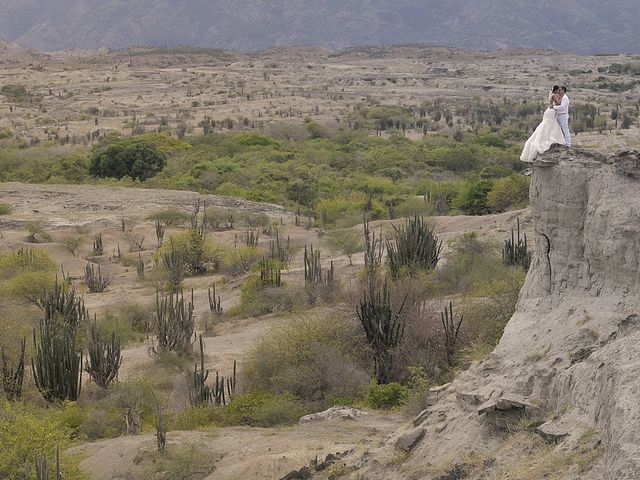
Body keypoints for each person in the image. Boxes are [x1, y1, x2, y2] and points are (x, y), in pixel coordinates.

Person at [520, 86, 567, 163]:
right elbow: (558, 103)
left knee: (548, 125)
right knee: (549, 124)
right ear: (556, 90)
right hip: (551, 111)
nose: (560, 91)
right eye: (559, 90)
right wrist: (561, 99)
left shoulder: (553, 95)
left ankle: (547, 136)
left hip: (551, 111)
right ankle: (546, 138)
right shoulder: (554, 96)